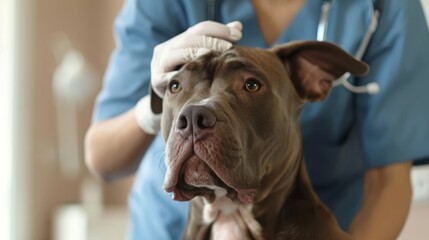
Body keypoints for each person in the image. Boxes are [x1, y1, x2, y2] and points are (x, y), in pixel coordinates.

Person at [84, 0, 429, 239]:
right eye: (177, 87)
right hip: (168, 229)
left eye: (250, 85)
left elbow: (389, 180)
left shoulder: (381, 8)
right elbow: (100, 156)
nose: (195, 116)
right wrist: (152, 104)